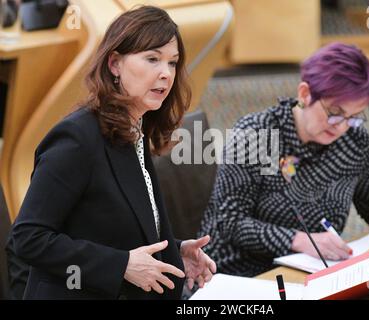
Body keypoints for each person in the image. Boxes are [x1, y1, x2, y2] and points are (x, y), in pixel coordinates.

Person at [9, 5, 216, 299]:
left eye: (172, 63)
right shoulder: (77, 138)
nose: (165, 74)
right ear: (115, 64)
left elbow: (110, 225)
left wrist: (174, 250)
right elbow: (28, 238)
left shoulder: (135, 130)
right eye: (152, 59)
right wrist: (121, 265)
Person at [199, 42, 369, 277]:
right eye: (335, 113)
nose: (342, 126)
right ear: (305, 93)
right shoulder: (256, 135)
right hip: (238, 274)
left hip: (312, 271)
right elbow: (230, 221)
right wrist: (299, 240)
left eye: (354, 116)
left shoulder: (354, 142)